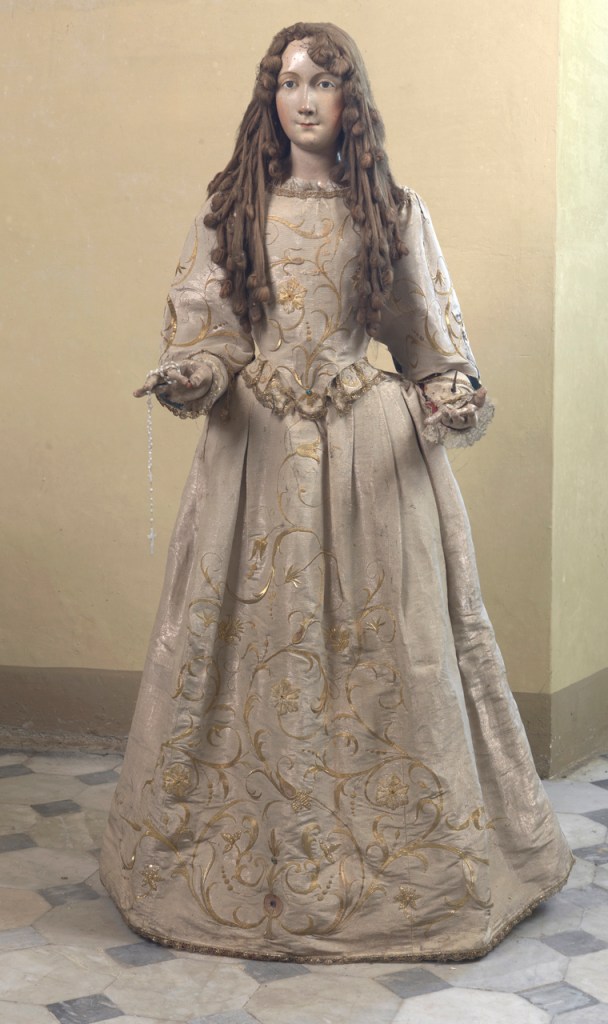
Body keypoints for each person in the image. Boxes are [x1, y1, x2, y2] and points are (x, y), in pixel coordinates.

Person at [100, 22, 572, 963]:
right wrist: (195, 372)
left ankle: (406, 859)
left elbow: (427, 341)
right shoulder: (231, 208)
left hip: (367, 457)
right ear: (267, 97)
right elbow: (211, 331)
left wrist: (450, 392)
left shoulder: (390, 208)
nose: (303, 98)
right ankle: (248, 856)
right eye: (287, 82)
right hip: (257, 457)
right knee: (247, 641)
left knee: (393, 647)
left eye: (322, 81)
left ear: (352, 97)